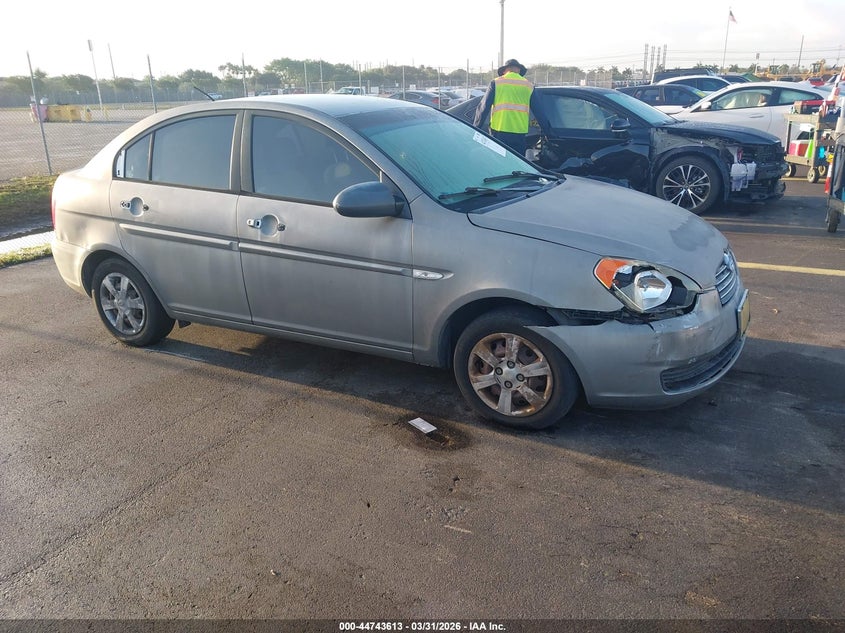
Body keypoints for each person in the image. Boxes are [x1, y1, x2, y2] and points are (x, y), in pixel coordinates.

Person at [473, 58, 535, 155]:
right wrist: (549, 131)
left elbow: (483, 107)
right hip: (519, 134)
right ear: (518, 70)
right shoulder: (529, 85)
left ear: (505, 70)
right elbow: (539, 110)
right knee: (518, 164)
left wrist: (476, 128)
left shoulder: (496, 83)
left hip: (499, 132)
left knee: (498, 163)